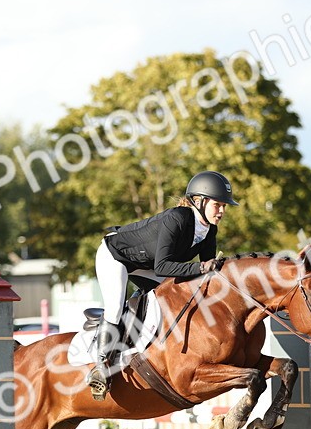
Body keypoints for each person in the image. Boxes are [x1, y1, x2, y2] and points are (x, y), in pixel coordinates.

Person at [88, 170, 238, 399]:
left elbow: (206, 272)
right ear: (200, 201)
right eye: (218, 205)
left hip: (144, 263)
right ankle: (100, 367)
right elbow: (164, 267)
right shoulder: (177, 218)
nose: (222, 211)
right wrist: (201, 268)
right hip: (115, 256)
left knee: (174, 295)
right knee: (115, 307)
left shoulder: (210, 229)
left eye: (224, 206)